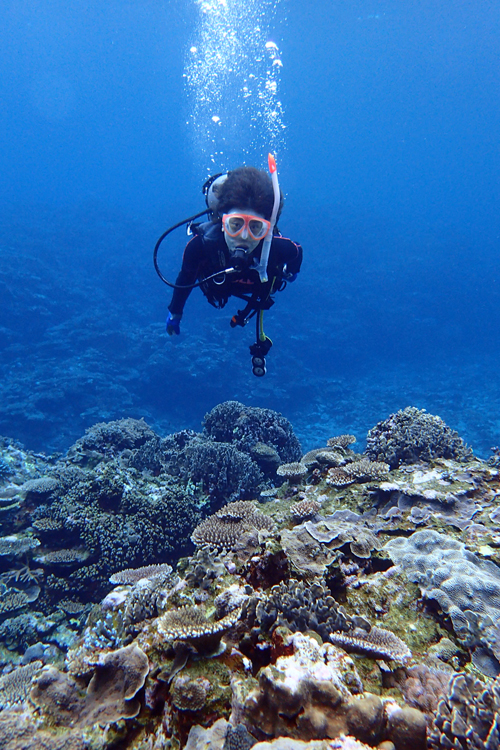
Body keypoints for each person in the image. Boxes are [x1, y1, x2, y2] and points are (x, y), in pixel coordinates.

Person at [165, 165, 302, 375]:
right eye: (235, 224)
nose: (244, 237)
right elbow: (185, 278)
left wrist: (291, 273)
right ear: (222, 221)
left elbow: (297, 252)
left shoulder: (277, 248)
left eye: (255, 227)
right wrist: (175, 312)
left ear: (267, 229)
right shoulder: (201, 246)